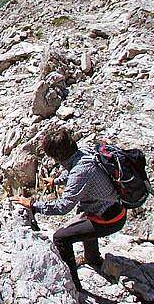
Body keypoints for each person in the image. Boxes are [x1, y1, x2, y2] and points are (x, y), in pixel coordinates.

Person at [9, 126, 125, 293]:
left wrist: (33, 205)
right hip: (112, 208)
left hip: (110, 219)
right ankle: (92, 258)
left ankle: (74, 286)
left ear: (57, 156)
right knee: (83, 215)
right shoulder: (84, 152)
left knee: (61, 238)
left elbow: (64, 206)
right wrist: (55, 181)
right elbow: (75, 173)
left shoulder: (81, 171)